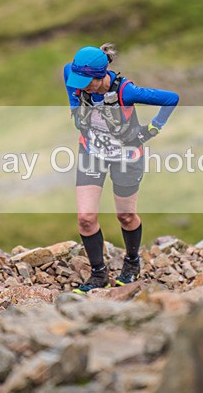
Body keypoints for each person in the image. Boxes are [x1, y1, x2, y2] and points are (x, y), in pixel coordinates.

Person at [64, 43, 179, 293]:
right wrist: (75, 108)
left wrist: (152, 130)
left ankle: (132, 262)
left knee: (125, 216)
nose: (77, 84)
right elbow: (67, 74)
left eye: (84, 80)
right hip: (91, 153)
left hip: (127, 156)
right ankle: (98, 275)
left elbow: (171, 99)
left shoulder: (126, 92)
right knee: (85, 219)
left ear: (99, 76)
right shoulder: (73, 78)